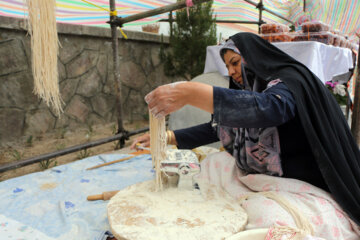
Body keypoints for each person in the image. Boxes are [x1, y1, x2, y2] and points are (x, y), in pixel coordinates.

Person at [131, 32, 360, 226]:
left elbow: (270, 109)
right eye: (227, 66)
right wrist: (165, 136)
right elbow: (219, 127)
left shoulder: (290, 81)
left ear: (254, 56)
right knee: (209, 165)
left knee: (264, 217)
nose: (231, 72)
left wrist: (191, 93)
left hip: (299, 183)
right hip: (258, 177)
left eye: (234, 62)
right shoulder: (252, 90)